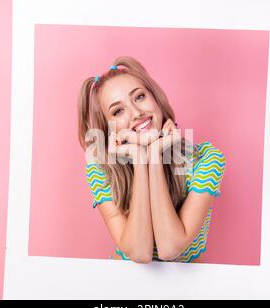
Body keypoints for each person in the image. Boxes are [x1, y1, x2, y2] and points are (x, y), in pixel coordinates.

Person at [77, 56, 226, 263]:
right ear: (108, 130)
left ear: (156, 98)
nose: (137, 113)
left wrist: (154, 155)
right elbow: (139, 253)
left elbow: (170, 248)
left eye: (139, 97)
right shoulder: (100, 171)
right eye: (118, 111)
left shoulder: (206, 160)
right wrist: (139, 159)